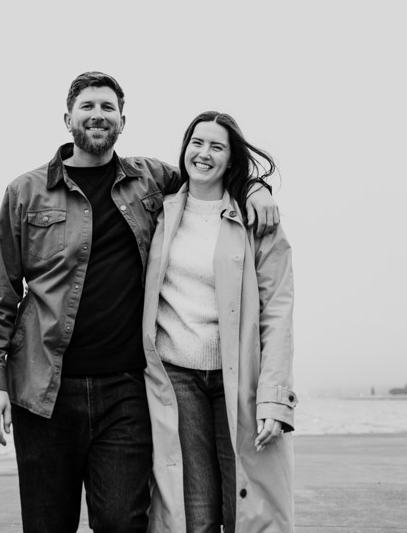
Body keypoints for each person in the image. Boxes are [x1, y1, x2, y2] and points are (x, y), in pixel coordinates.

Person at [0, 73, 280, 533]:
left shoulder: (151, 181)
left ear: (122, 120)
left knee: (123, 523)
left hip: (127, 392)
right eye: (88, 106)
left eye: (108, 107)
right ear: (67, 118)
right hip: (43, 393)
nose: (98, 115)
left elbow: (209, 176)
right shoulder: (25, 192)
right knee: (46, 524)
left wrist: (256, 188)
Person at [142, 111, 296, 533]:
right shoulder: (159, 211)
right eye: (197, 142)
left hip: (238, 380)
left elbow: (278, 311)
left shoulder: (257, 219)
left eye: (216, 146)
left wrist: (275, 399)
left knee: (244, 509)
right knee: (197, 513)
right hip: (178, 377)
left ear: (232, 159)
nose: (203, 154)